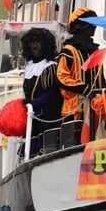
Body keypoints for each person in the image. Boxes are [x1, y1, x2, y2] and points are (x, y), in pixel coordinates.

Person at [57, 8, 106, 120]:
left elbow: (100, 78)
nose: (95, 26)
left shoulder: (94, 51)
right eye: (91, 23)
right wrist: (84, 88)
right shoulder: (69, 50)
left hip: (95, 106)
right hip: (75, 109)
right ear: (81, 26)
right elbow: (61, 77)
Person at [20, 27, 63, 156]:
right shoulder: (30, 66)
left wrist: (33, 103)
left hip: (46, 119)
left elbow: (52, 95)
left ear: (46, 44)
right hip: (32, 118)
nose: (34, 45)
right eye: (32, 42)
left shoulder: (50, 67)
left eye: (38, 42)